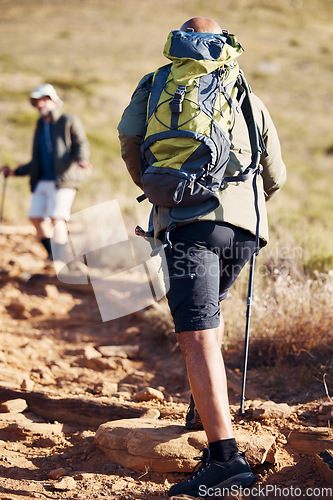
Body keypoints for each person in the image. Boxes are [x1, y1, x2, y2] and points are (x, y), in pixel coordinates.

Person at [118, 17, 286, 498]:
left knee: (196, 333)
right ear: (223, 45)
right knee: (207, 320)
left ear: (180, 46)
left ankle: (225, 459)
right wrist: (243, 207)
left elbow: (131, 143)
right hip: (244, 230)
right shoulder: (244, 90)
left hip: (187, 224)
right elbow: (276, 171)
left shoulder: (156, 85)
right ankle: (203, 407)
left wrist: (161, 191)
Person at [1, 83, 91, 264]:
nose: (40, 105)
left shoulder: (68, 121)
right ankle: (53, 255)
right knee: (35, 216)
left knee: (57, 217)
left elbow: (81, 143)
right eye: (36, 102)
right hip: (42, 179)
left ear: (53, 101)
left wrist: (82, 159)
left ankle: (60, 260)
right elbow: (38, 158)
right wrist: (16, 172)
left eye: (43, 100)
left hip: (63, 179)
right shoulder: (40, 125)